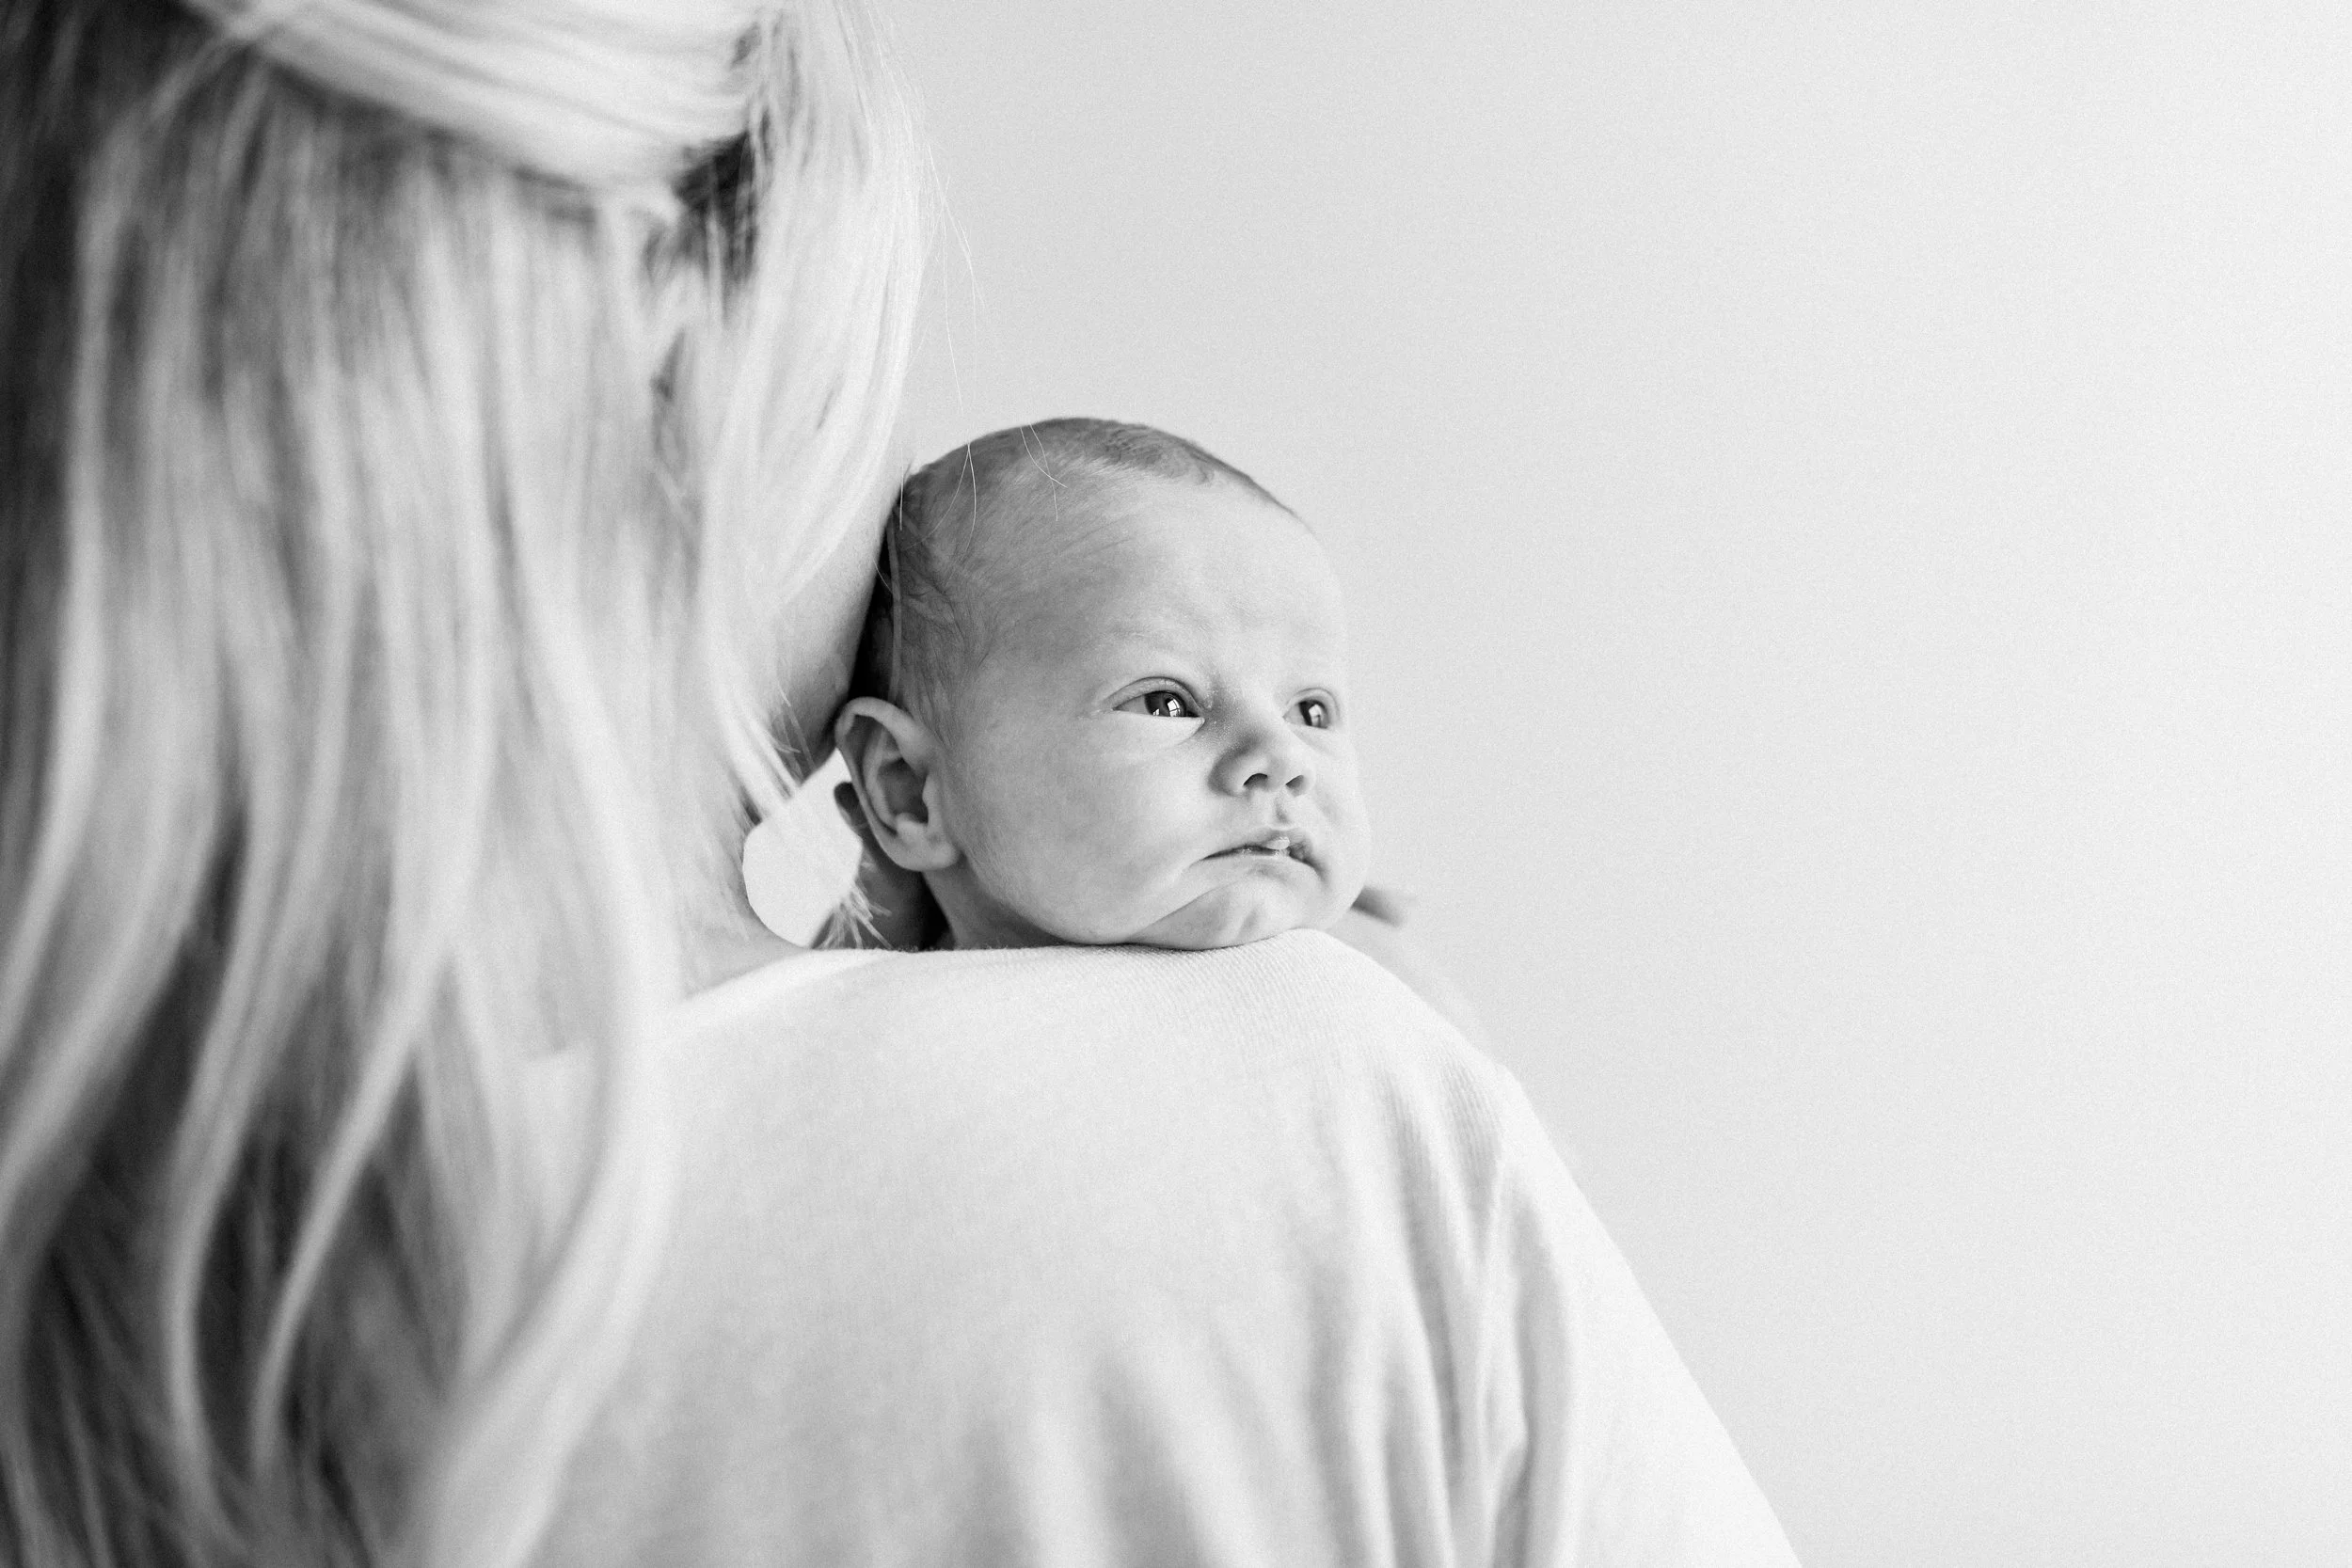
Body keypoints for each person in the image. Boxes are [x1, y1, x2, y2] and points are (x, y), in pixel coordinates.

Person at [1, 4, 1799, 1568]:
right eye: (1164, 696)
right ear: (677, 348)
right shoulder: (1322, 1107)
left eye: (1316, 709)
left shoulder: (96, 1302)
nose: (1271, 757)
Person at [832, 417, 1371, 951]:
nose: (1286, 757)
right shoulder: (869, 1019)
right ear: (908, 788)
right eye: (1166, 704)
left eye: (1310, 712)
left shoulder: (1369, 986)